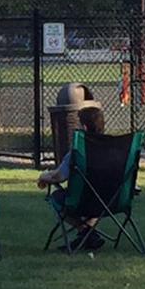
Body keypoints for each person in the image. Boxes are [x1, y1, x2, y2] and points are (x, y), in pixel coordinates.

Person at [37, 106, 106, 252]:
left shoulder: (78, 152)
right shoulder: (114, 150)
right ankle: (88, 237)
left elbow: (59, 176)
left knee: (56, 198)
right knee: (97, 196)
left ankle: (85, 232)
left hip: (81, 201)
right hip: (109, 201)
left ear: (84, 127)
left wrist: (43, 177)